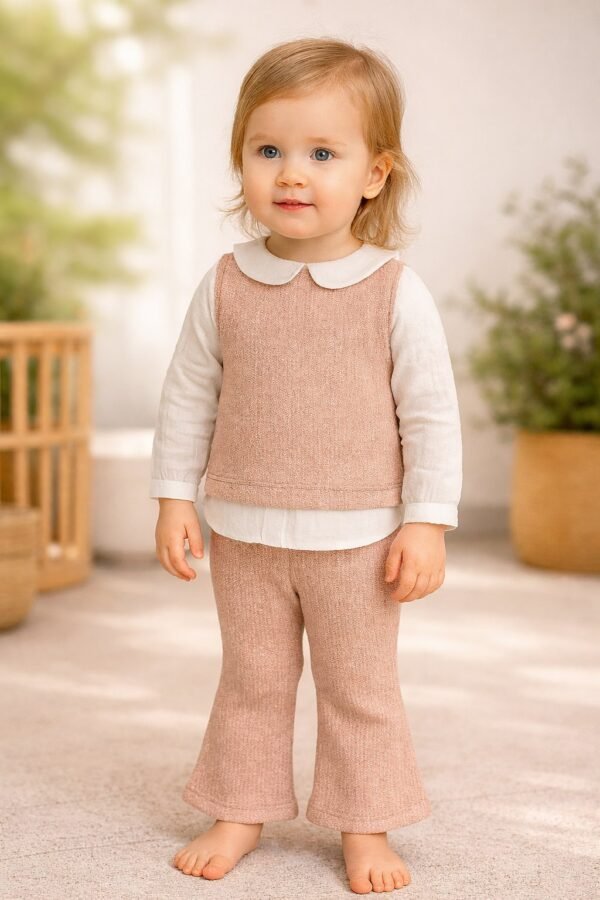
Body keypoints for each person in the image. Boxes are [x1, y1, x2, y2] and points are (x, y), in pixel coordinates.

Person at [150, 36, 462, 895]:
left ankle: (366, 823)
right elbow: (187, 396)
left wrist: (427, 522)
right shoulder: (225, 284)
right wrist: (174, 496)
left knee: (360, 687)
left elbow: (431, 417)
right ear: (241, 160)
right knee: (251, 679)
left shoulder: (395, 290)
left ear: (374, 174)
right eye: (268, 150)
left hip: (361, 540)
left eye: (322, 154)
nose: (292, 173)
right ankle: (239, 807)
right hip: (243, 531)